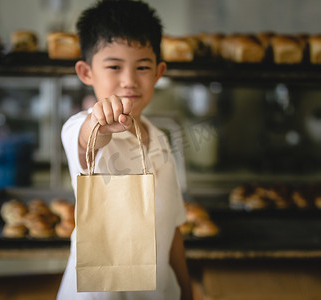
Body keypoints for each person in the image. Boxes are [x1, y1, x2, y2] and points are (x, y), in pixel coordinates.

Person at [57, 1, 193, 299]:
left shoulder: (160, 140)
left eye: (142, 67)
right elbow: (85, 141)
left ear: (158, 73)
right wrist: (99, 121)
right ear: (86, 72)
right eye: (114, 67)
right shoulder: (80, 126)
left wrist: (187, 289)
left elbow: (174, 230)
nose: (129, 81)